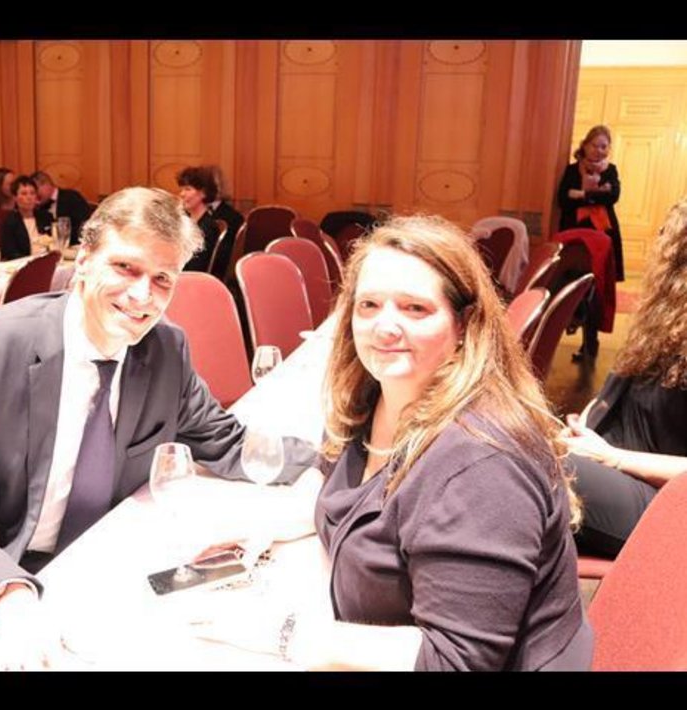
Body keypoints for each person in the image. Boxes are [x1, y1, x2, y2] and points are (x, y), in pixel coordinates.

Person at [0, 186, 314, 671]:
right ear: (85, 259)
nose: (142, 296)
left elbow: (229, 443)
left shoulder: (165, 352)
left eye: (162, 279)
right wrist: (9, 600)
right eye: (125, 267)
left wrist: (343, 464)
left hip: (83, 571)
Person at [194, 215, 592, 671]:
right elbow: (337, 482)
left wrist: (283, 632)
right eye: (369, 305)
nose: (384, 326)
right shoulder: (376, 396)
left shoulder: (482, 464)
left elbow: (456, 659)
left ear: (464, 324)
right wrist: (268, 527)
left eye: (414, 308)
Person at [563, 198, 687, 560]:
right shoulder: (666, 320)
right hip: (619, 475)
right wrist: (581, 433)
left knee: (529, 467)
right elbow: (613, 394)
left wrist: (611, 458)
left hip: (667, 505)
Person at [556, 125, 623, 362]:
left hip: (603, 237)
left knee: (598, 289)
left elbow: (613, 196)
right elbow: (563, 199)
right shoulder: (572, 169)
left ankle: (590, 343)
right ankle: (561, 333)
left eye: (604, 146)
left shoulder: (610, 170)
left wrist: (582, 194)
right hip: (575, 237)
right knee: (572, 285)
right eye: (595, 145)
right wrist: (597, 194)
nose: (599, 150)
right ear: (585, 145)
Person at [176, 166, 220, 272]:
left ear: (203, 193)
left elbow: (196, 266)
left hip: (192, 277)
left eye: (188, 189)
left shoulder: (208, 227)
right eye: (181, 189)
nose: (182, 194)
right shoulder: (185, 221)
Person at [31, 170, 93, 246]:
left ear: (46, 184)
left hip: (75, 246)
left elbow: (84, 227)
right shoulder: (39, 207)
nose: (34, 196)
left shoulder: (72, 197)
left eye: (35, 191)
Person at [0, 175, 48, 260]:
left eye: (32, 193)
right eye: (24, 194)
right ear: (15, 198)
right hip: (24, 263)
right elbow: (10, 253)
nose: (29, 197)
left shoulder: (46, 217)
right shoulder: (10, 223)